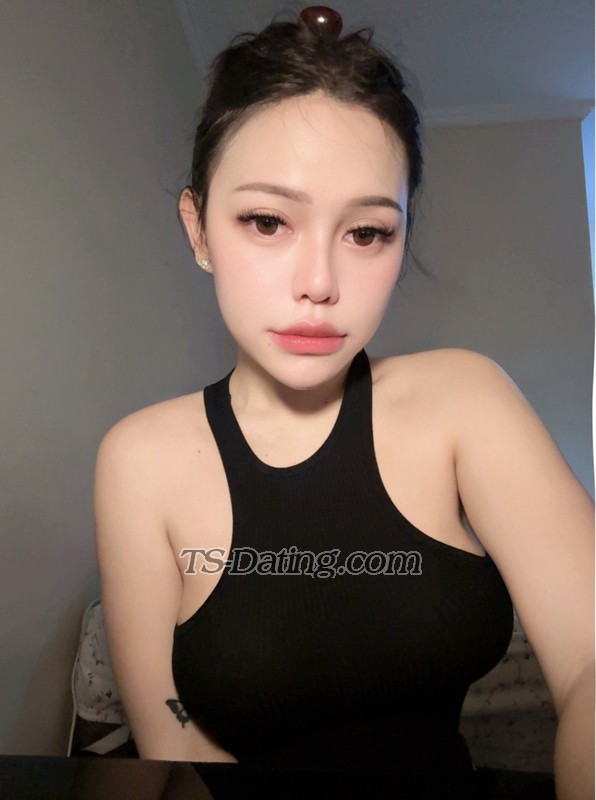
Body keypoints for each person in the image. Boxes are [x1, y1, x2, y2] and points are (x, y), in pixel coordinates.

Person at [95, 7, 594, 799]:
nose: (320, 283)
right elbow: (170, 728)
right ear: (198, 231)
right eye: (267, 221)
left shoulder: (466, 399)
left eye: (366, 233)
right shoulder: (139, 459)